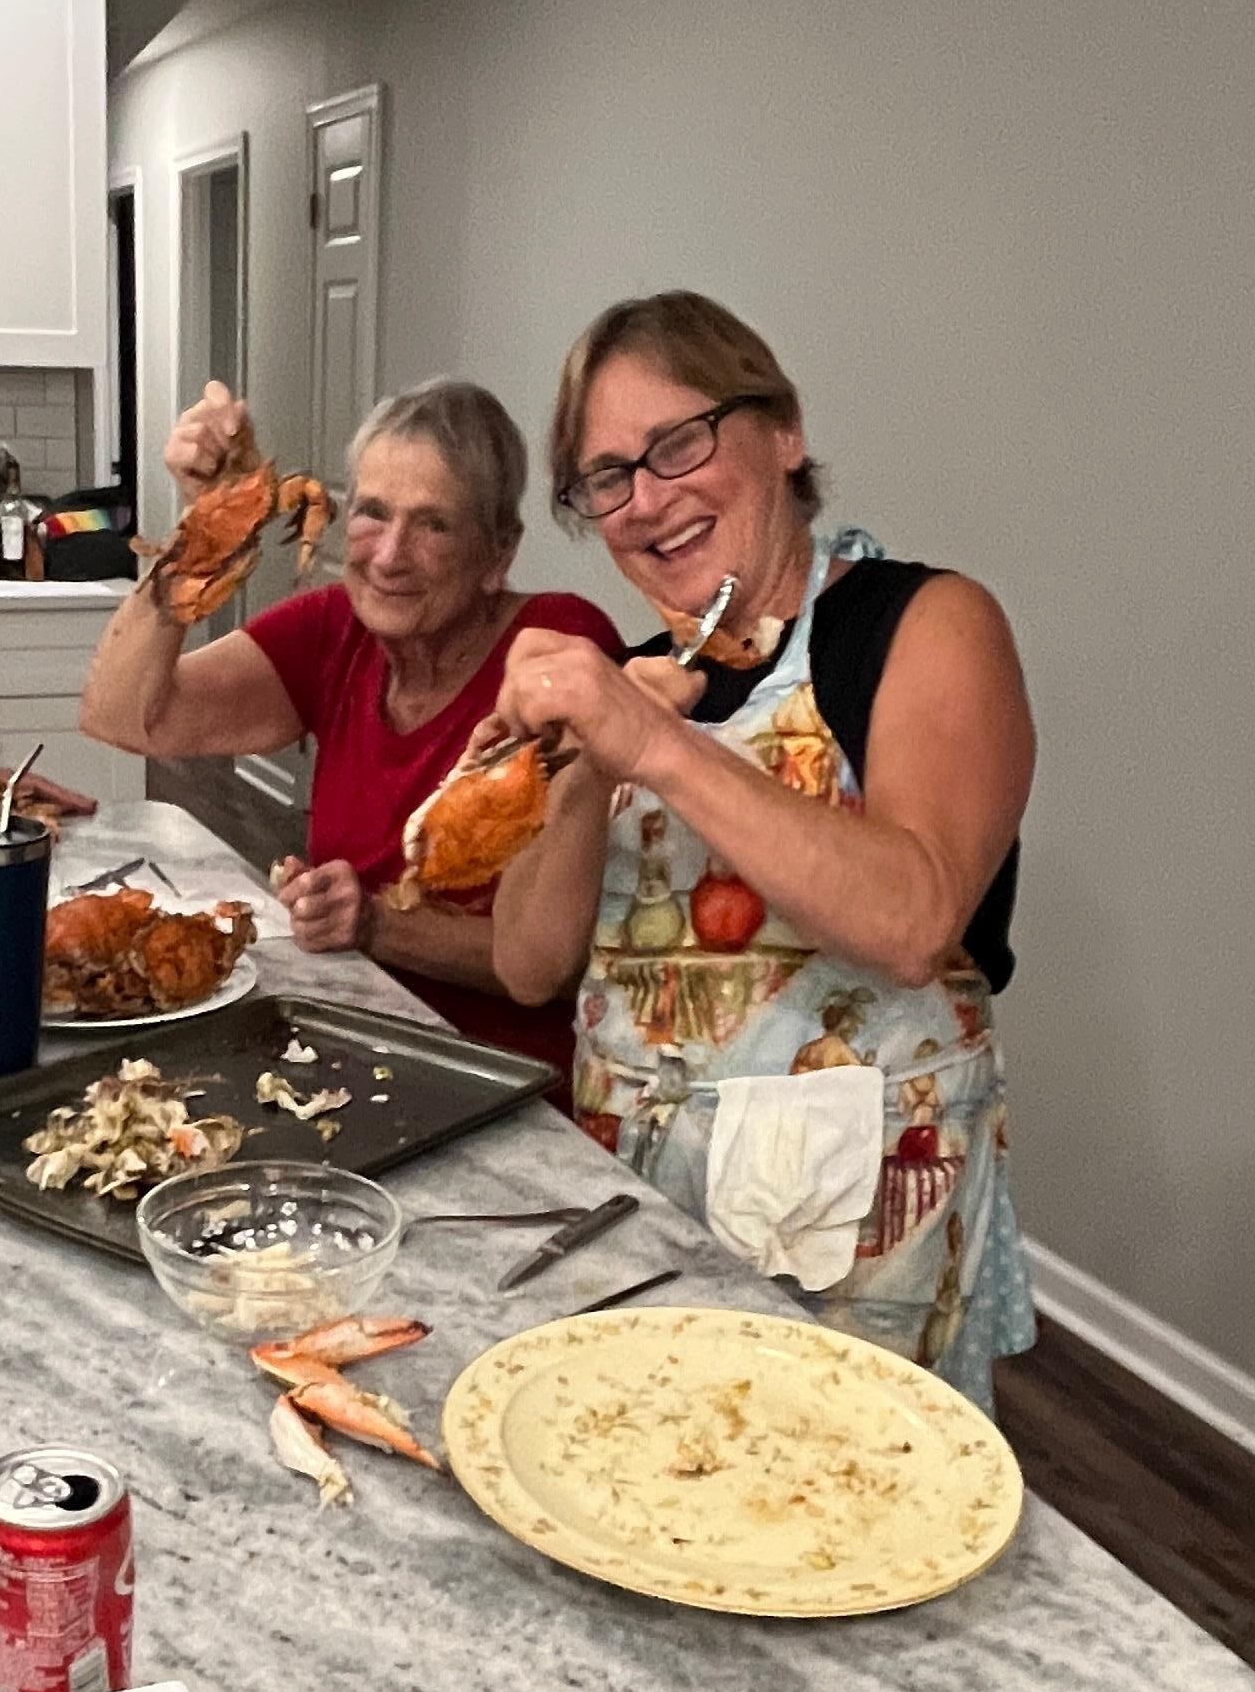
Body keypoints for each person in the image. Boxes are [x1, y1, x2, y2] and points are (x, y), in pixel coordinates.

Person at [484, 292, 1037, 1404]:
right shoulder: (632, 678)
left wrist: (657, 744)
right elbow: (527, 963)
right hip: (634, 1222)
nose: (648, 501)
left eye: (678, 443)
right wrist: (593, 767)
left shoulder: (923, 625)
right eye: (607, 478)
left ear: (783, 431)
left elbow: (912, 919)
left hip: (856, 1251)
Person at [79, 377, 623, 1077]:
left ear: (498, 554)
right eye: (372, 513)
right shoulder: (337, 629)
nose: (390, 555)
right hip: (344, 1044)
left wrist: (374, 925)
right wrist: (204, 532)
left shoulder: (555, 650)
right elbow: (123, 715)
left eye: (434, 524)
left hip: (501, 1082)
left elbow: (546, 963)